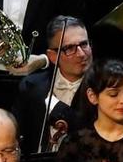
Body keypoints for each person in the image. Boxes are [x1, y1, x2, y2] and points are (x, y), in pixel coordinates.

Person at [10, 16, 94, 155]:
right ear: (52, 56)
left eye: (84, 44)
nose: (81, 54)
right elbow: (16, 138)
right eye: (70, 48)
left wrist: (57, 108)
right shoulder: (31, 86)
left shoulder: (104, 87)